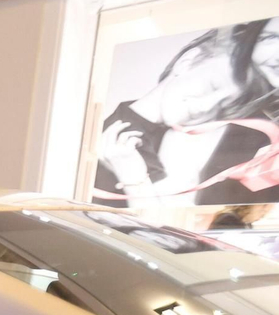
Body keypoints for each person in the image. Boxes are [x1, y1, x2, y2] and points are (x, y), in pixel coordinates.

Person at [94, 23, 278, 207]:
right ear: (187, 61)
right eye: (211, 85)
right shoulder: (121, 140)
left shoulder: (183, 137)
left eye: (224, 104)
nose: (207, 107)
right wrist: (133, 179)